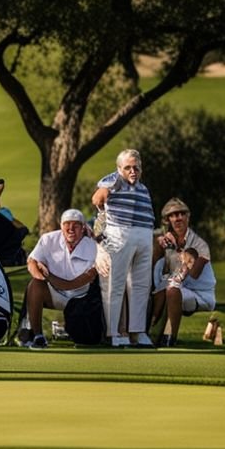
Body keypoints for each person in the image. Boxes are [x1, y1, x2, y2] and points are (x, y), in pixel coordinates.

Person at [91, 149, 155, 348]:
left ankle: (138, 332)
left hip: (144, 235)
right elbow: (98, 197)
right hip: (121, 233)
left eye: (136, 167)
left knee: (140, 286)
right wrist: (104, 213)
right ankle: (115, 333)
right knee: (116, 286)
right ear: (120, 169)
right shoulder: (115, 180)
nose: (133, 171)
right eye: (128, 168)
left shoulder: (143, 188)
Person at [20, 209, 100, 349]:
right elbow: (31, 262)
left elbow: (85, 279)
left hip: (81, 298)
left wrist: (48, 276)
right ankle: (37, 335)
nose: (71, 229)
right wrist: (40, 274)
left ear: (83, 228)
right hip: (54, 293)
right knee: (35, 285)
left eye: (76, 225)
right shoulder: (48, 239)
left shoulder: (93, 246)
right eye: (66, 224)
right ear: (61, 226)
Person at [150, 197, 217, 347]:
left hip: (200, 295)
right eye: (173, 215)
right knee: (161, 288)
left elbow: (194, 274)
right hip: (178, 288)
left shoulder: (200, 245)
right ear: (168, 220)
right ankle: (149, 332)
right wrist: (158, 243)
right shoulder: (165, 239)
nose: (178, 218)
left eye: (181, 214)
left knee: (172, 289)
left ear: (188, 217)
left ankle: (170, 338)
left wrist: (178, 251)